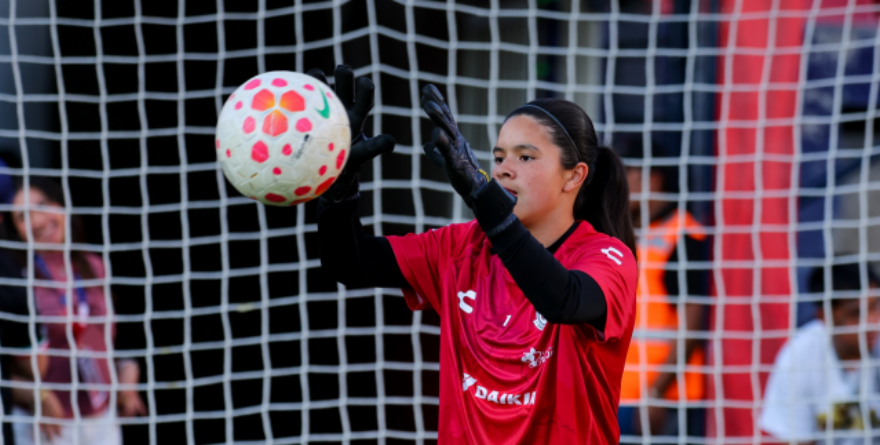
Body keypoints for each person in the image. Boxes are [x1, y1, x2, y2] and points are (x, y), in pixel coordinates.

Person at [314, 65, 638, 443]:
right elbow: (350, 263)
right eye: (498, 158)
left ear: (574, 176)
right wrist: (338, 187)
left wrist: (487, 203)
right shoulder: (460, 247)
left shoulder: (607, 256)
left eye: (525, 157)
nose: (504, 170)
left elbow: (562, 299)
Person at [1, 176, 146, 445]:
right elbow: (5, 366)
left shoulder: (93, 265)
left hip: (102, 419)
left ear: (61, 204)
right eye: (23, 217)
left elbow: (111, 340)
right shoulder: (14, 279)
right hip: (46, 424)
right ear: (14, 230)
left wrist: (128, 374)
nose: (37, 221)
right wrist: (37, 396)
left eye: (42, 205)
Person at [615, 140, 710, 437]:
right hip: (618, 395)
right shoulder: (624, 234)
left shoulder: (684, 237)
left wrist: (656, 393)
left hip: (662, 402)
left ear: (652, 180)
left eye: (624, 174)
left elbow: (692, 323)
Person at [760, 263, 880, 443]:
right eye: (856, 314)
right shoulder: (799, 358)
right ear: (825, 317)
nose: (871, 322)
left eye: (875, 306)